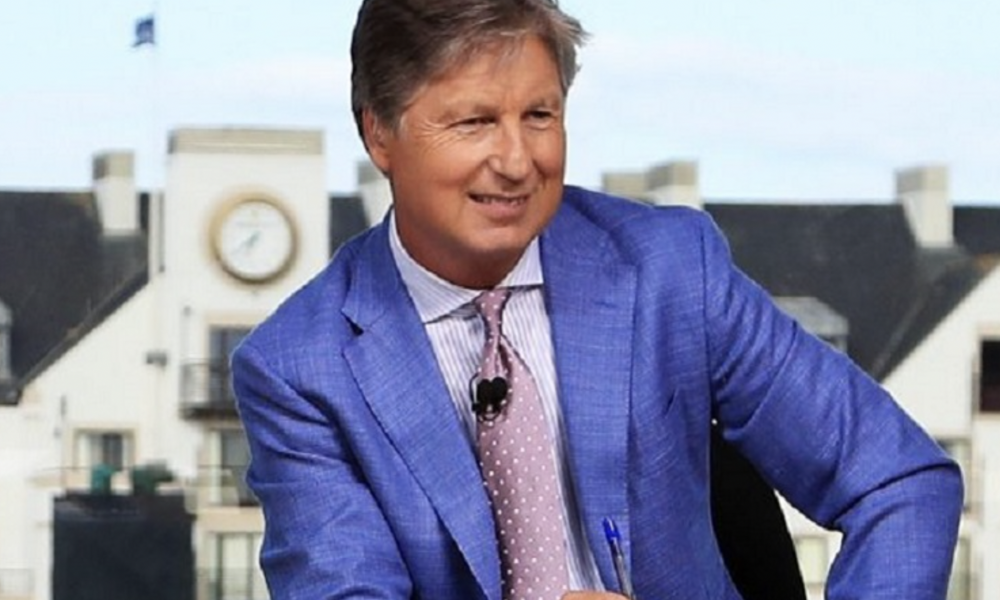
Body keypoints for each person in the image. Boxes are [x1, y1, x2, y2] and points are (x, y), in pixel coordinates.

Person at [231, 1, 964, 598]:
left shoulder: (671, 269)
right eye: (474, 122)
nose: (517, 161)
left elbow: (897, 479)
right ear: (379, 134)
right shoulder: (299, 368)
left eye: (539, 116)